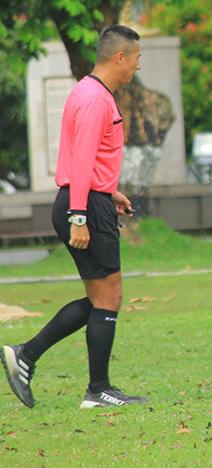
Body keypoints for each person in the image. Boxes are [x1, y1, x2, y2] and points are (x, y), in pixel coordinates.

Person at [2, 24, 147, 409]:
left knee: (101, 297)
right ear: (120, 57)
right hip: (83, 206)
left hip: (87, 199)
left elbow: (85, 159)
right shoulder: (97, 100)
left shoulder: (86, 91)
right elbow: (81, 161)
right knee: (109, 296)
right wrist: (80, 215)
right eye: (136, 58)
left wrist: (107, 191)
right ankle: (96, 390)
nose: (137, 66)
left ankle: (27, 356)